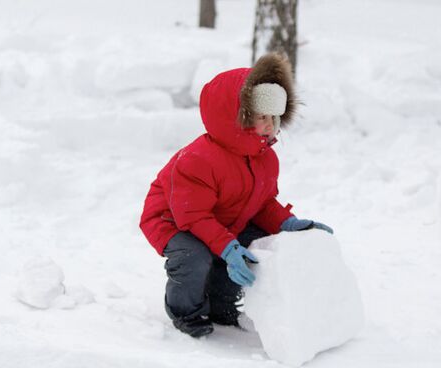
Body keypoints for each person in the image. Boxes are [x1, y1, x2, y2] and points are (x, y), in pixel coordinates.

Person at [139, 53, 333, 338]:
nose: (270, 125)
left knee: (252, 244)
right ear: (236, 119)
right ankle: (185, 311)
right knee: (195, 256)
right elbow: (193, 216)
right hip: (175, 220)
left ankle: (221, 305)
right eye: (261, 118)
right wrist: (227, 247)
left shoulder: (265, 158)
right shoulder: (199, 160)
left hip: (222, 218)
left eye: (273, 117)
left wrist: (286, 223)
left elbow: (261, 203)